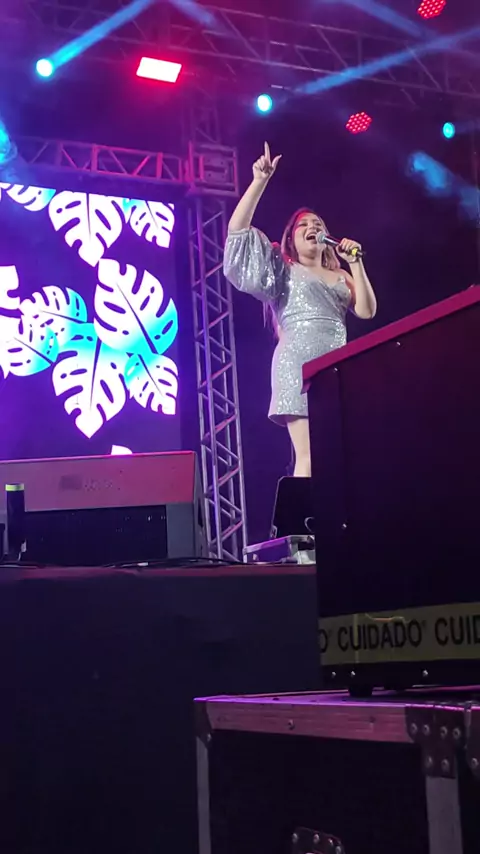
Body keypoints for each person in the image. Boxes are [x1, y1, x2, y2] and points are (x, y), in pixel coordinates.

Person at [223, 143, 377, 477]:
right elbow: (238, 233)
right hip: (298, 364)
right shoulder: (282, 268)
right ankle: (306, 512)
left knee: (342, 455)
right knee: (309, 454)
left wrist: (356, 264)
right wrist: (259, 182)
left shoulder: (341, 276)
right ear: (292, 238)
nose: (313, 227)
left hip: (338, 366)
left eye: (318, 224)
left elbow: (366, 311)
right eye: (303, 224)